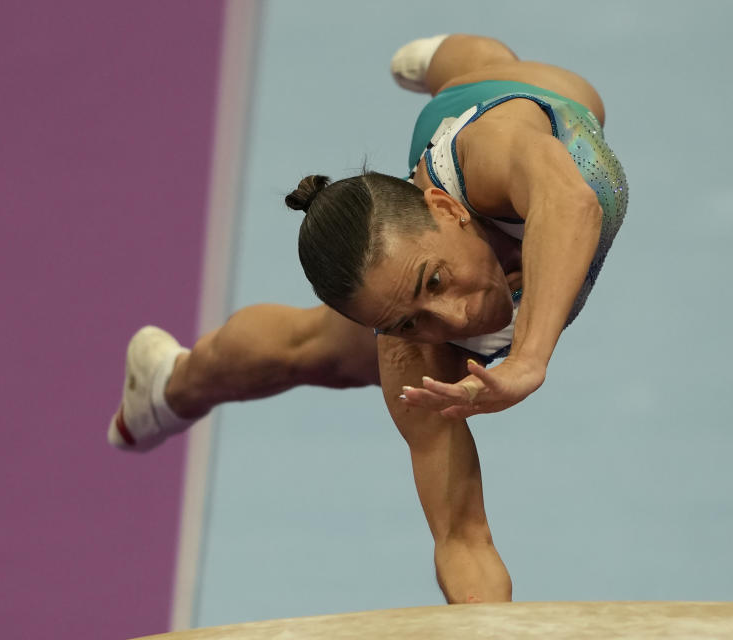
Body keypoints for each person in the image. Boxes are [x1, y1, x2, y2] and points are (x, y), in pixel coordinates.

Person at [108, 34, 628, 605]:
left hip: (503, 106)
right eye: (407, 322)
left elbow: (572, 205)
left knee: (496, 72)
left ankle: (437, 60)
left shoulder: (494, 150)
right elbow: (462, 540)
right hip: (415, 246)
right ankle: (169, 379)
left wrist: (529, 357)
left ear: (448, 209)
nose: (452, 318)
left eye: (435, 280)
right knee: (314, 350)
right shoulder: (415, 356)